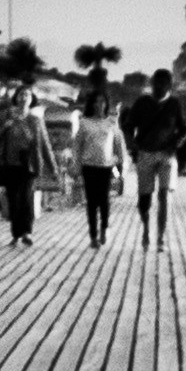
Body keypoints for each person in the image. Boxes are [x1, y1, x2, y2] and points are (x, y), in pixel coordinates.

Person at [126, 72, 181, 251]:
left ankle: (160, 237)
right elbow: (128, 127)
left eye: (164, 83)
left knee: (165, 196)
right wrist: (133, 146)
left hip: (167, 156)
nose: (160, 87)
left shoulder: (174, 104)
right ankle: (146, 229)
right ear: (152, 84)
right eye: (157, 83)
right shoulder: (142, 103)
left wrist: (176, 145)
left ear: (169, 85)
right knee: (145, 199)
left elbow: (183, 128)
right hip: (146, 153)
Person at [70, 85, 127, 249]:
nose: (99, 104)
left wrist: (120, 163)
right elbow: (77, 146)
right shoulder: (84, 123)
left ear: (106, 104)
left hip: (106, 166)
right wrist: (76, 164)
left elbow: (119, 145)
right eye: (96, 101)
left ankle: (104, 228)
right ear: (92, 104)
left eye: (102, 101)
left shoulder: (111, 123)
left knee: (104, 200)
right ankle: (93, 235)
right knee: (91, 202)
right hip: (89, 167)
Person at [0, 95, 52, 248]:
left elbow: (44, 143)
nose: (23, 98)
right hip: (10, 164)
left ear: (30, 99)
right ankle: (15, 234)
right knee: (13, 200)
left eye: (26, 95)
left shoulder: (35, 120)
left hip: (29, 165)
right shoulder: (6, 117)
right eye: (21, 94)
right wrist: (5, 127)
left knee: (26, 198)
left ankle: (27, 232)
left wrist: (53, 167)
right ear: (16, 98)